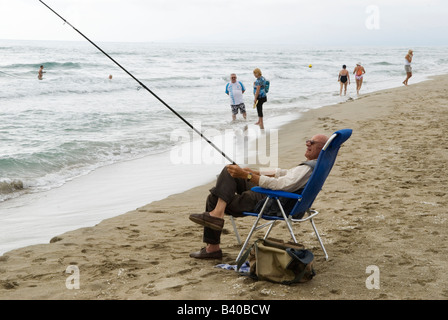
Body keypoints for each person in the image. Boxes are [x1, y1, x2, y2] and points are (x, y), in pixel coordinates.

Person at [188, 133, 329, 259]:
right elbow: (285, 174)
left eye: (312, 142)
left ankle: (213, 244)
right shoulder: (319, 164)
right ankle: (216, 215)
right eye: (308, 141)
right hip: (281, 198)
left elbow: (280, 185)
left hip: (271, 200)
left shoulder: (307, 168)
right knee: (230, 171)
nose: (307, 144)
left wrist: (248, 176)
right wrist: (255, 173)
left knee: (214, 198)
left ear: (322, 148)